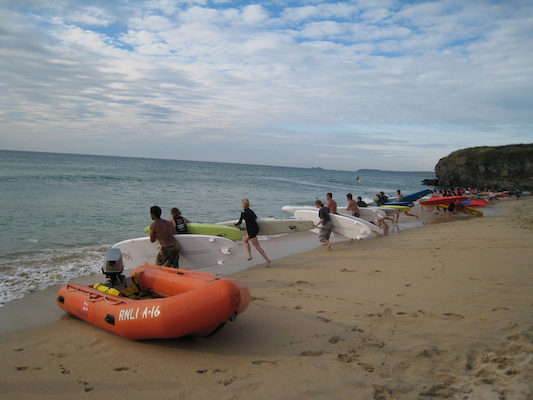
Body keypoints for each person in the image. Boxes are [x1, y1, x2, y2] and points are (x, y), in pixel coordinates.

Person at [233, 199, 271, 267]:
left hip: (251, 231)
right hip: (255, 228)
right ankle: (250, 255)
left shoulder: (243, 213)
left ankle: (267, 260)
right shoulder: (251, 211)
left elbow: (240, 222)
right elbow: (256, 218)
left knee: (257, 246)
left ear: (242, 205)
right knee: (245, 240)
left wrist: (234, 225)